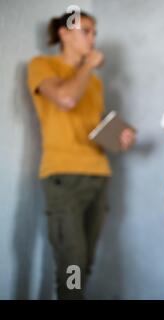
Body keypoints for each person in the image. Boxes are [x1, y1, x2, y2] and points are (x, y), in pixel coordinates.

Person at [27, 11, 135, 299]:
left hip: (98, 174)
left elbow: (91, 129)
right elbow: (65, 98)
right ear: (64, 33)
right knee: (71, 263)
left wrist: (119, 136)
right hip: (63, 176)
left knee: (83, 264)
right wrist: (87, 66)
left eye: (94, 32)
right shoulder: (42, 66)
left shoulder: (95, 84)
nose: (92, 38)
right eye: (86, 31)